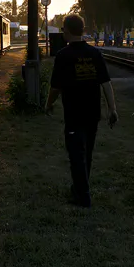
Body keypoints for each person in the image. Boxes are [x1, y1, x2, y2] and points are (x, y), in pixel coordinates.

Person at [45, 13, 118, 208]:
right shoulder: (95, 54)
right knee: (87, 153)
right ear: (82, 30)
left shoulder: (63, 56)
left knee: (76, 154)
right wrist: (112, 109)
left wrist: (48, 104)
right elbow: (106, 82)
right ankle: (79, 189)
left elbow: (55, 87)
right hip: (93, 112)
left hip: (74, 113)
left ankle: (83, 196)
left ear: (67, 31)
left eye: (63, 30)